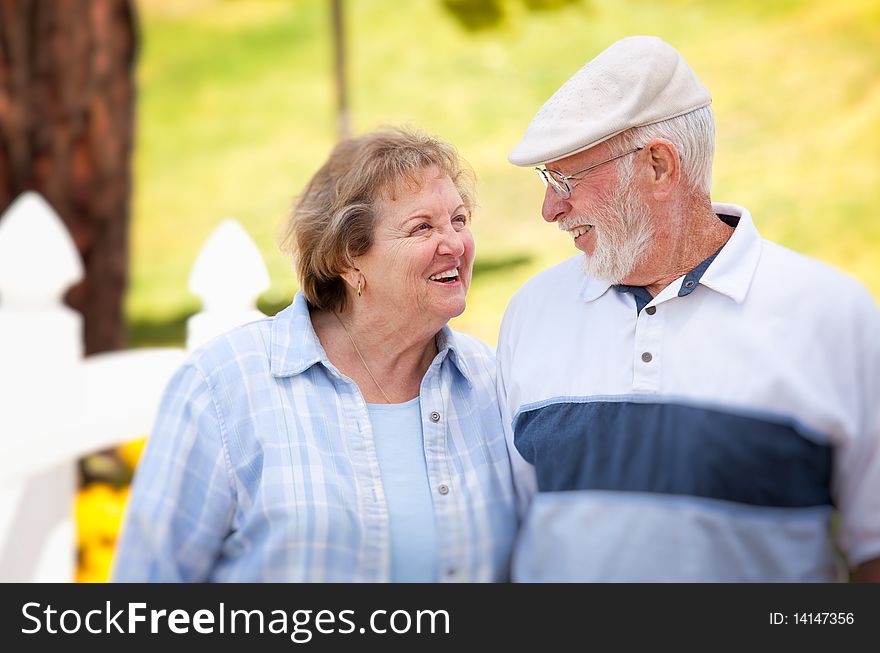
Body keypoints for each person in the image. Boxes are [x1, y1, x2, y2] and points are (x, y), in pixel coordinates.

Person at [498, 35, 880, 582]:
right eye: (545, 181)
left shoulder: (833, 316)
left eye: (565, 180)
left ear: (658, 166)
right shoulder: (530, 313)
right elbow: (512, 530)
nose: (549, 209)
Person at [112, 127, 517, 582]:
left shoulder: (493, 382)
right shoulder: (224, 385)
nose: (455, 245)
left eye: (459, 221)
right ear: (348, 259)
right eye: (422, 227)